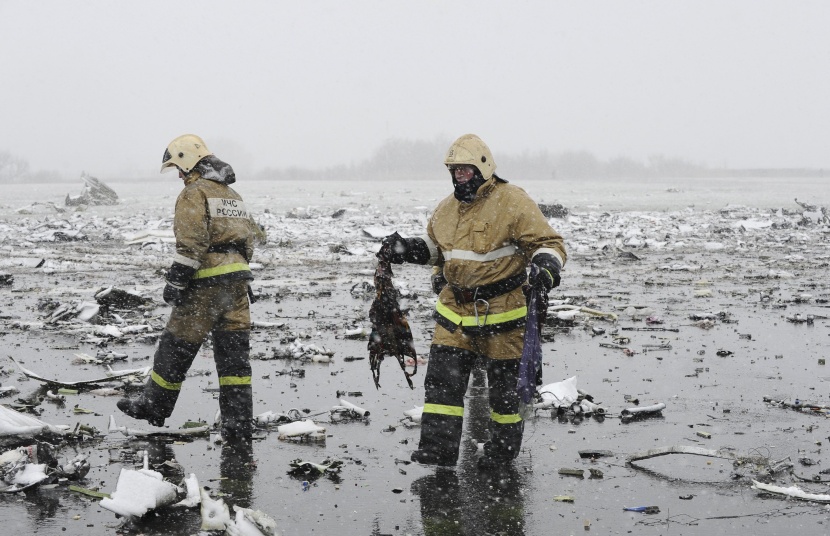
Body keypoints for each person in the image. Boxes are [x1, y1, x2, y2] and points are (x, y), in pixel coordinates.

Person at [378, 133, 567, 470]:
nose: (458, 176)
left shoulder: (512, 200)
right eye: (453, 170)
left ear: (483, 166)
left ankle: (501, 452)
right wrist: (408, 248)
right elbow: (437, 248)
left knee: (505, 398)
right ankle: (438, 450)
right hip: (455, 314)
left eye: (464, 169)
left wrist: (547, 265)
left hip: (504, 315)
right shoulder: (446, 209)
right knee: (441, 387)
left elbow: (548, 241)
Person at [118, 134, 256, 440]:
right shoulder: (232, 195)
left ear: (189, 161)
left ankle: (154, 405)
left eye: (179, 168)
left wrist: (176, 281)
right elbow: (249, 241)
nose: (180, 176)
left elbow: (192, 242)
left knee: (176, 346)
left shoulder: (194, 193)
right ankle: (239, 423)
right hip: (237, 288)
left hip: (205, 287)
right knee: (234, 360)